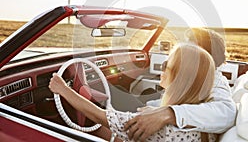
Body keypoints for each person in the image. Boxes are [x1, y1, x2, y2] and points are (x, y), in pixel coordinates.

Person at [49, 43, 217, 141]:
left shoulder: (161, 126)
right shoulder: (206, 118)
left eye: (167, 65)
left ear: (180, 79)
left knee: (78, 134)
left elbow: (99, 116)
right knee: (98, 131)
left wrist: (63, 89)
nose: (161, 68)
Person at [124, 28, 236, 141]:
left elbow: (227, 113)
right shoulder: (199, 75)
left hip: (155, 110)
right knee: (145, 93)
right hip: (156, 104)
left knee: (119, 95)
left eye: (189, 49)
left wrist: (169, 113)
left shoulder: (216, 83)